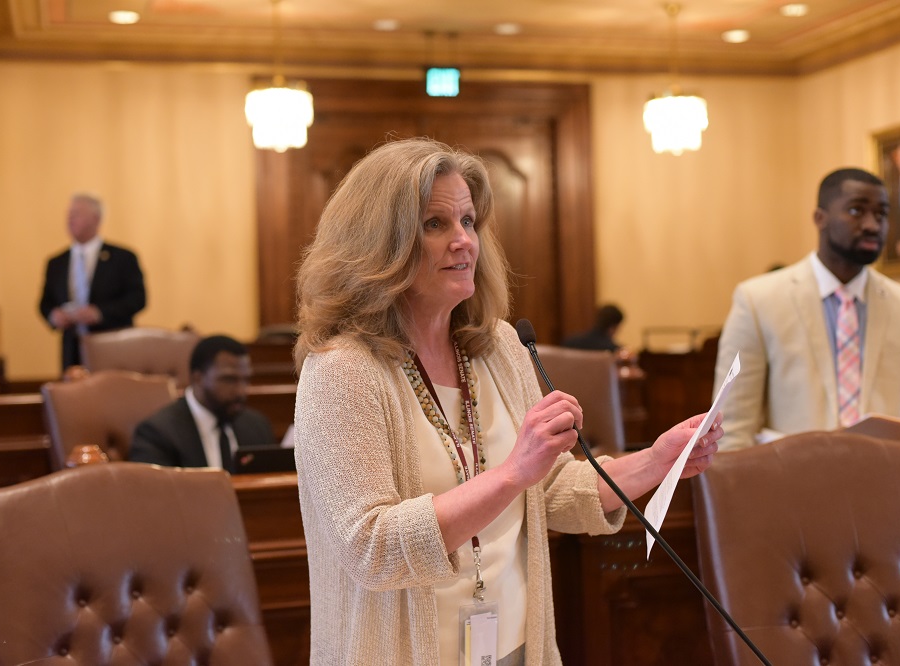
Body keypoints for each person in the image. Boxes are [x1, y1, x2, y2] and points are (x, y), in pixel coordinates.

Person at [292, 138, 721, 665]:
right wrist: (512, 473)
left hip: (518, 649)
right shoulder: (343, 370)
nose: (463, 242)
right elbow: (372, 549)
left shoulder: (499, 348)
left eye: (469, 221)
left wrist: (657, 460)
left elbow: (549, 490)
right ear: (378, 243)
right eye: (435, 224)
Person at [714, 167, 900, 451]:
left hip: (887, 485)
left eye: (881, 214)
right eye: (857, 211)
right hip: (791, 484)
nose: (873, 225)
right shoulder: (757, 300)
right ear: (819, 218)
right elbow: (733, 427)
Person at [128, 335, 276, 470]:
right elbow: (152, 494)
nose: (241, 391)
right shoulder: (158, 433)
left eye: (246, 380)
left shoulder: (258, 426)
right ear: (198, 378)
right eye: (229, 380)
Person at [39, 193, 147, 370]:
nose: (69, 219)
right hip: (73, 351)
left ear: (95, 219)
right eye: (68, 214)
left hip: (113, 347)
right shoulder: (56, 262)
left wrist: (100, 313)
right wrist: (53, 316)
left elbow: (138, 298)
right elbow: (45, 303)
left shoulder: (122, 258)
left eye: (76, 214)